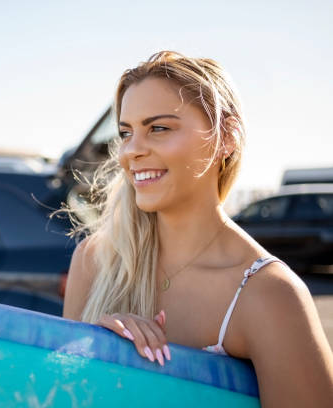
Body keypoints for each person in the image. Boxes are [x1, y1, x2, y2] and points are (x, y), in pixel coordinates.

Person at [62, 51, 333, 406]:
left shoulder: (267, 295)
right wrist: (94, 352)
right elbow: (59, 396)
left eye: (158, 128)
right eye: (126, 133)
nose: (132, 151)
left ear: (227, 136)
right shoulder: (94, 261)